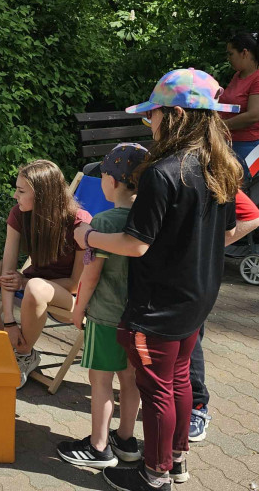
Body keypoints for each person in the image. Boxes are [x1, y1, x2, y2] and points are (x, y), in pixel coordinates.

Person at [73, 68, 241, 491]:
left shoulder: (163, 172)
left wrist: (88, 235)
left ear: (177, 115)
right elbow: (223, 231)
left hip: (158, 305)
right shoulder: (223, 165)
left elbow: (135, 244)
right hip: (198, 297)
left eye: (154, 115)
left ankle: (155, 473)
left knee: (157, 392)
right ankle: (177, 461)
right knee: (179, 379)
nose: (150, 122)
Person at [57, 143, 147, 469]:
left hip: (106, 317)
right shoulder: (153, 218)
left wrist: (78, 309)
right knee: (131, 379)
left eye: (104, 176)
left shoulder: (104, 222)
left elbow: (91, 276)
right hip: (140, 320)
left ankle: (98, 447)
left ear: (114, 181)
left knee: (100, 380)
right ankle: (126, 440)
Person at [0, 159, 92, 387]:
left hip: (69, 300)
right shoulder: (19, 214)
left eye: (21, 191)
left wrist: (24, 282)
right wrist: (9, 323)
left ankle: (24, 353)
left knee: (35, 286)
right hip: (31, 283)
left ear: (43, 195)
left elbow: (75, 284)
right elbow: (8, 271)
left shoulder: (78, 224)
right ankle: (1, 341)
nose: (15, 195)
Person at [188, 189, 259, 442]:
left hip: (193, 277)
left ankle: (197, 407)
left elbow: (251, 215)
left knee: (191, 338)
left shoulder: (210, 172)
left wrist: (211, 244)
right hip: (161, 275)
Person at [220, 31, 259, 183]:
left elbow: (254, 115)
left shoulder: (256, 78)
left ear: (244, 53)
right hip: (230, 144)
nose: (228, 58)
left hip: (249, 148)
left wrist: (220, 125)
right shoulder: (238, 75)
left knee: (241, 193)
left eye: (231, 54)